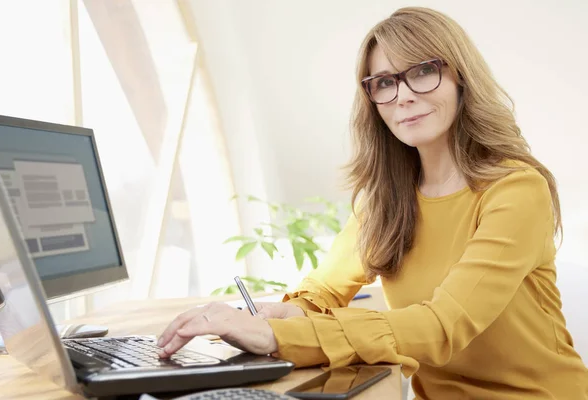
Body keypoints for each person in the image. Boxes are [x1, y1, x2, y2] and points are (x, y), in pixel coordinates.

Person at [156, 7, 588, 399]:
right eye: (384, 82)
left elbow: (443, 326)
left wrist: (274, 337)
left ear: (461, 78)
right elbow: (325, 289)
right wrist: (288, 311)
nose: (402, 95)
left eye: (421, 72)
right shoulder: (388, 198)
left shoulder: (515, 190)